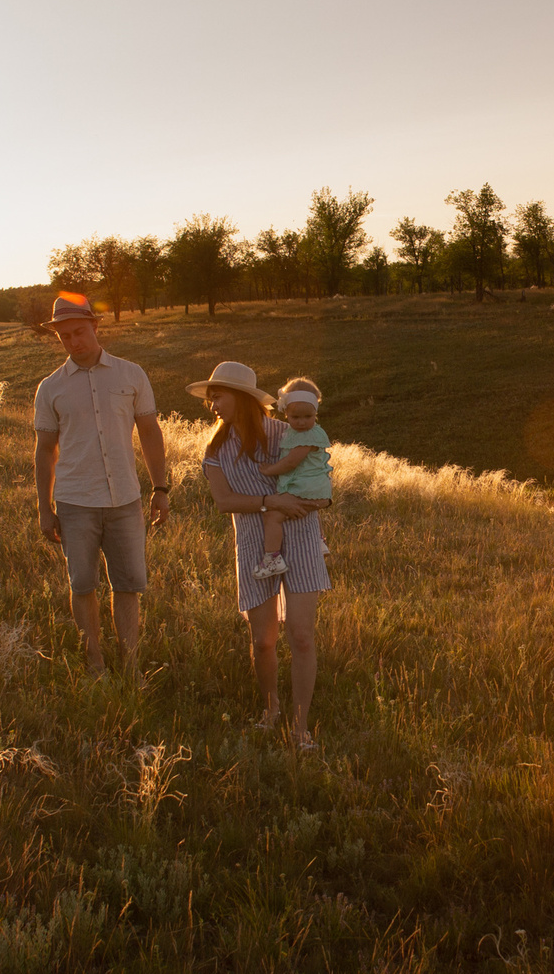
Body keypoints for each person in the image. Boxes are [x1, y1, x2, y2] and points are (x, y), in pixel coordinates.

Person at [30, 292, 171, 677]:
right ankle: (95, 664)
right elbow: (45, 451)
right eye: (65, 336)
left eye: (79, 332)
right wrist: (44, 508)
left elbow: (149, 432)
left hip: (125, 499)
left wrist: (161, 489)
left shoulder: (130, 374)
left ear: (95, 326)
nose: (74, 342)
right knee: (83, 586)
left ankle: (131, 665)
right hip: (75, 502)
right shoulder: (51, 387)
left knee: (127, 585)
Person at [189, 361, 328, 749]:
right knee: (263, 640)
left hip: (300, 536)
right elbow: (223, 501)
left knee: (301, 636)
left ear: (244, 397)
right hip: (254, 542)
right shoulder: (216, 448)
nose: (212, 403)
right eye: (210, 397)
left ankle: (300, 728)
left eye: (218, 395)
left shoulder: (287, 431)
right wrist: (271, 501)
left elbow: (319, 472)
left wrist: (312, 502)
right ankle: (271, 711)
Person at [251, 377, 332, 580]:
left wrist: (270, 470)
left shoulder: (308, 436)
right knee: (303, 510)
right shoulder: (296, 433)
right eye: (296, 417)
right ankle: (319, 541)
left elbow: (290, 463)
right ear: (286, 413)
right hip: (312, 489)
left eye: (308, 416)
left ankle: (272, 558)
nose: (302, 422)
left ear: (316, 413)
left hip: (307, 488)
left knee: (272, 516)